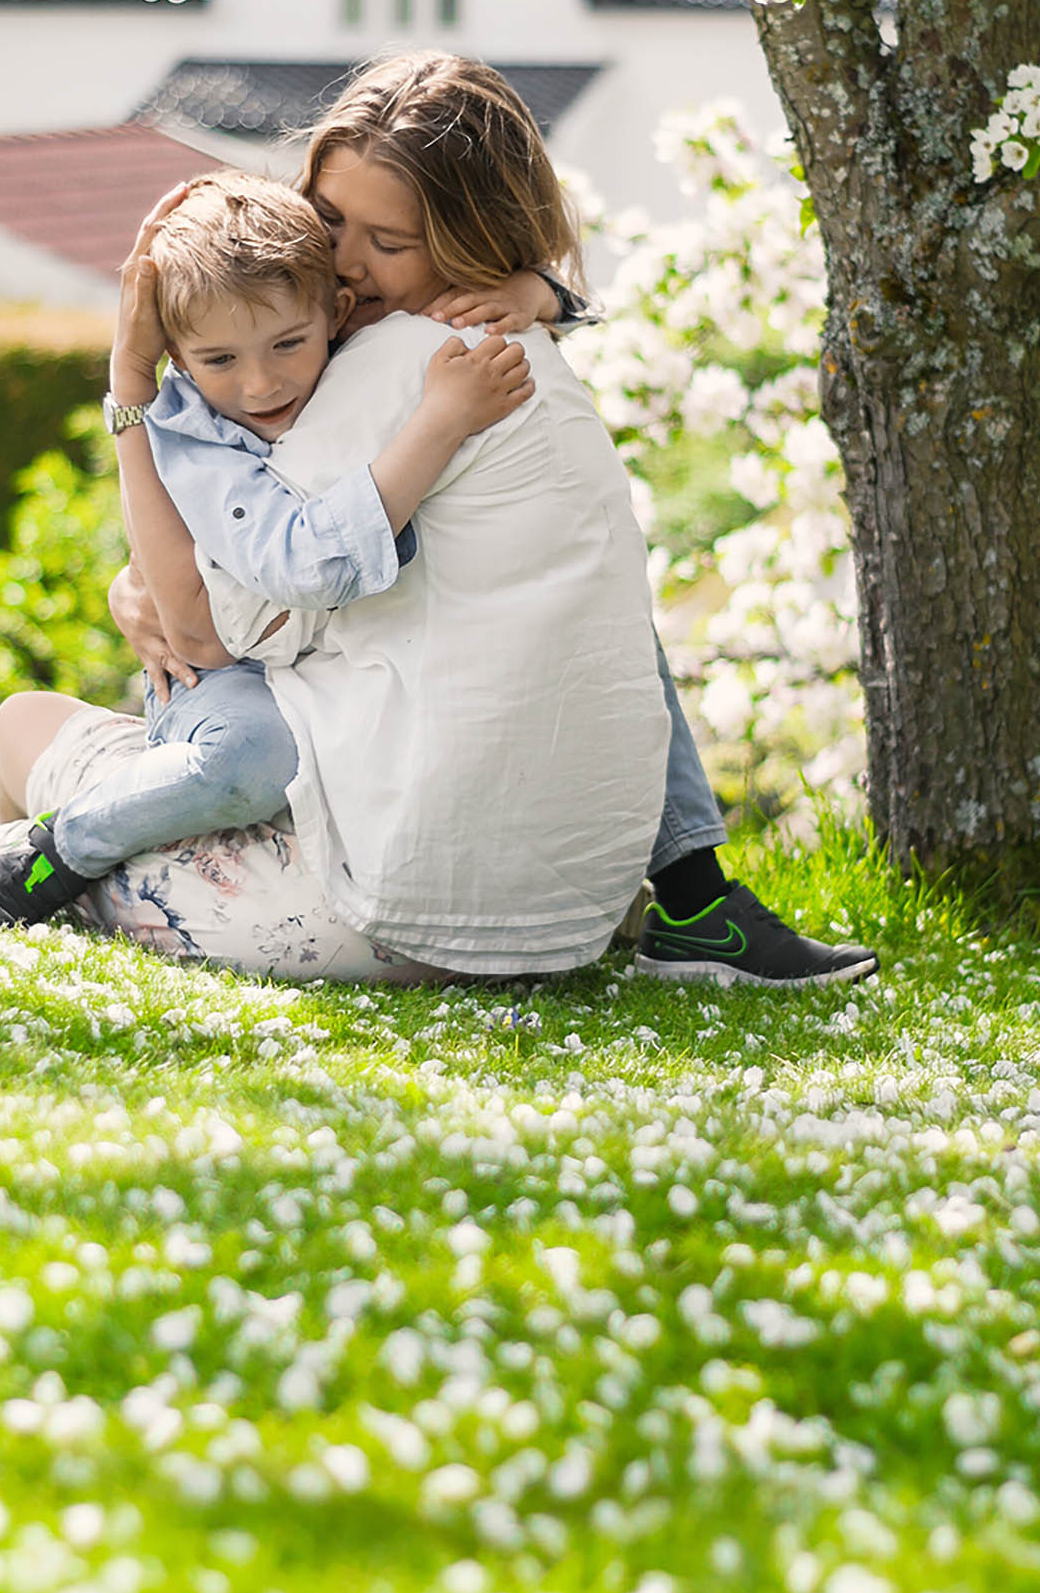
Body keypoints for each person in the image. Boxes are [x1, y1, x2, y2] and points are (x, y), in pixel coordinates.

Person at [298, 54, 877, 992]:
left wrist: (537, 293)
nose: (345, 262)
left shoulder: (440, 334)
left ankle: (689, 894)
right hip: (287, 614)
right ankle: (691, 895)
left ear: (470, 246)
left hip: (414, 613)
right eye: (329, 220)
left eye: (389, 243)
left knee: (599, 604)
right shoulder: (285, 295)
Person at [0, 174, 531, 932]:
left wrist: (535, 291)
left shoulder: (351, 362)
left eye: (288, 344)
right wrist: (442, 421)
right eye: (218, 361)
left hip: (331, 669)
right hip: (226, 682)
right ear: (179, 362)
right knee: (257, 755)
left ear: (336, 315)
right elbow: (292, 574)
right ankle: (53, 852)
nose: (260, 383)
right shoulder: (193, 430)